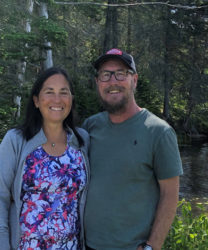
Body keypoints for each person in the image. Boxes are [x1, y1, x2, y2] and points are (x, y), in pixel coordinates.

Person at [83, 48, 183, 250]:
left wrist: (151, 246)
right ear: (98, 82)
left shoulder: (159, 133)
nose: (113, 81)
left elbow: (170, 196)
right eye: (105, 75)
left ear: (134, 80)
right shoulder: (89, 127)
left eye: (121, 73)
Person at [0, 67, 90, 250]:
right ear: (36, 100)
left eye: (63, 92)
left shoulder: (82, 141)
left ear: (71, 99)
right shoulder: (16, 140)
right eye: (49, 92)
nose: (57, 99)